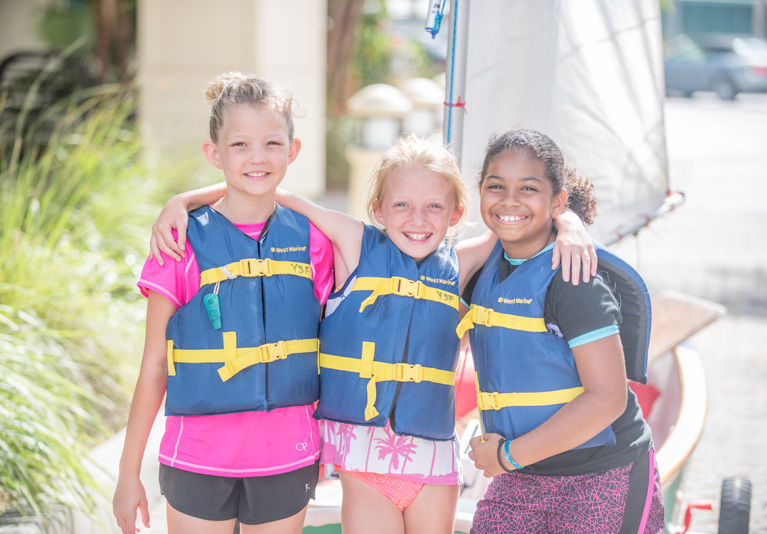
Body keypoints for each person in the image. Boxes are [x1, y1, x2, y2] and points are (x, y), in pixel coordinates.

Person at [149, 134, 596, 533]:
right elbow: (271, 191)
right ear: (378, 209)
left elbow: (520, 218)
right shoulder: (354, 244)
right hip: (364, 461)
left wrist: (571, 223)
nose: (417, 219)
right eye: (401, 205)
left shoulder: (460, 264)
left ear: (457, 213)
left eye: (434, 207)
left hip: (433, 463)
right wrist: (184, 200)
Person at [112, 72, 334, 534]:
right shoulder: (180, 242)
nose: (258, 157)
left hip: (287, 459)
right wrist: (127, 473)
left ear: (293, 151)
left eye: (273, 144)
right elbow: (154, 365)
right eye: (240, 145)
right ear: (214, 154)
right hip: (196, 459)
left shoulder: (315, 242)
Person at [461, 129, 665, 533]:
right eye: (495, 186)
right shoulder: (481, 268)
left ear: (557, 201)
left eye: (528, 188)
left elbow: (606, 399)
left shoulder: (573, 279)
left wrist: (507, 457)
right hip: (521, 476)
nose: (509, 200)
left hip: (603, 474)